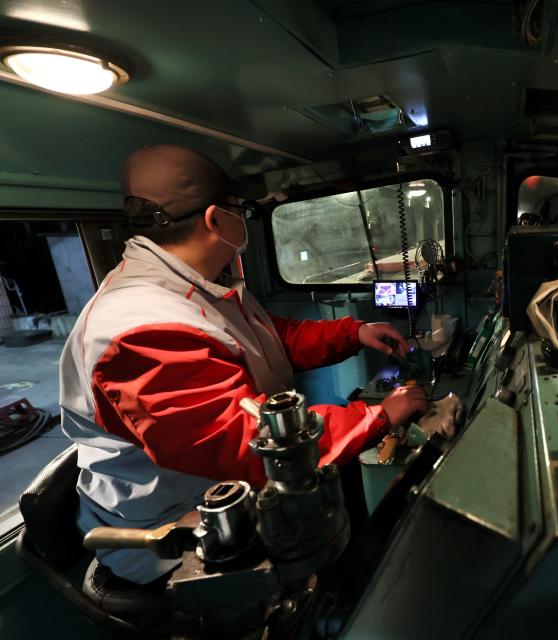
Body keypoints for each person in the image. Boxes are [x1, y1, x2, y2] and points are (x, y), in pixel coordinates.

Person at [60, 144, 428, 584]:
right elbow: (235, 440)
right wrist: (376, 417)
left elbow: (267, 337)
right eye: (243, 211)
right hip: (172, 541)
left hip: (225, 497)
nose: (246, 221)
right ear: (217, 219)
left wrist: (354, 333)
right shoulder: (139, 325)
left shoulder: (192, 285)